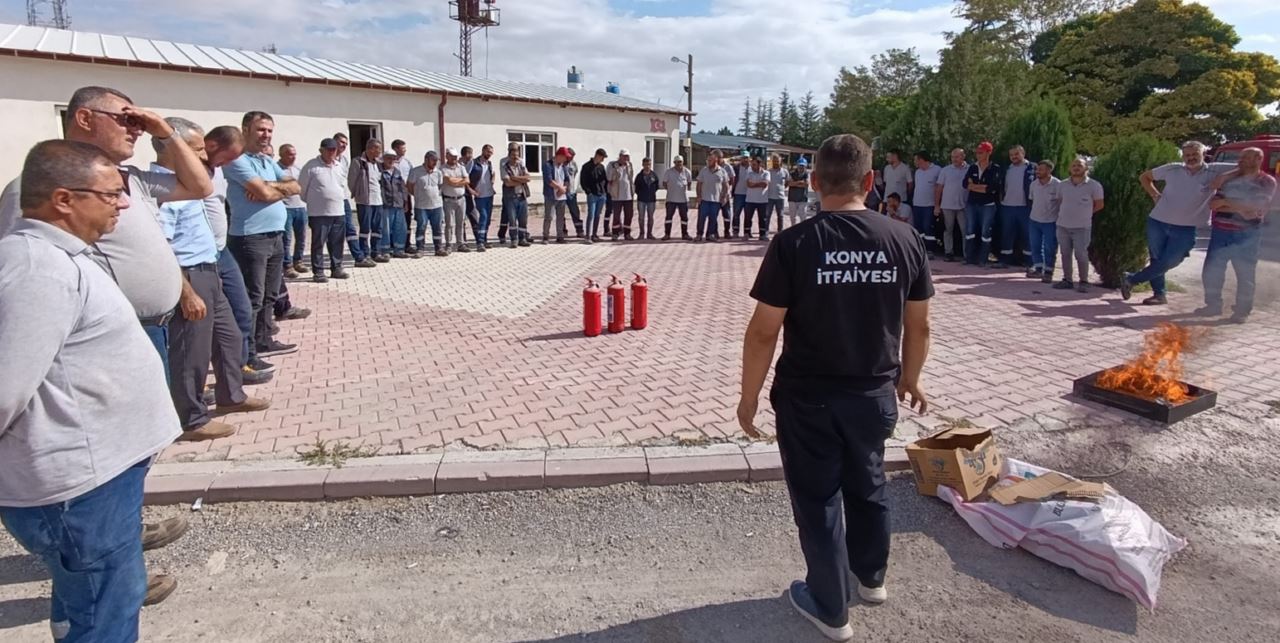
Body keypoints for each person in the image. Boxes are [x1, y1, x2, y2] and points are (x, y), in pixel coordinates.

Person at [737, 134, 932, 642]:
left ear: (815, 182)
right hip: (874, 395)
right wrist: (910, 377)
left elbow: (763, 331)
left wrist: (749, 396)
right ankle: (871, 578)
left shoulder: (795, 243)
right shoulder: (904, 238)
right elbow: (920, 326)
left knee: (818, 498)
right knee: (867, 481)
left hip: (810, 398)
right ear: (870, 181)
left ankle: (830, 607)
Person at [0, 139, 187, 643]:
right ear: (64, 199)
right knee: (104, 610)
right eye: (110, 194)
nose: (123, 203)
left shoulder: (56, 256)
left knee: (88, 598)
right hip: (76, 488)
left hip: (93, 480)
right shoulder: (38, 270)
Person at [1, 86, 213, 378]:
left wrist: (165, 132)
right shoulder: (38, 188)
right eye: (127, 120)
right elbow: (24, 273)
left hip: (155, 326)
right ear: (85, 119)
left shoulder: (132, 179)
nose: (138, 130)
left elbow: (201, 187)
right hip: (103, 335)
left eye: (140, 123)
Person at [153, 117, 270, 441]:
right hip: (190, 275)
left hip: (210, 267)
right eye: (194, 149)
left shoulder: (186, 182)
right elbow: (162, 247)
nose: (202, 155)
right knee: (192, 351)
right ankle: (192, 419)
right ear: (171, 150)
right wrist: (186, 292)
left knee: (230, 337)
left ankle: (231, 395)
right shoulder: (163, 188)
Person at [224, 111, 300, 360]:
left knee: (269, 294)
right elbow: (265, 194)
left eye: (269, 130)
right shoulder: (237, 160)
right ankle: (246, 354)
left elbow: (295, 186)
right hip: (250, 238)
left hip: (275, 235)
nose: (266, 135)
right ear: (245, 129)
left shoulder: (267, 161)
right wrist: (270, 189)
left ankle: (264, 340)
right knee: (252, 297)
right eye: (260, 129)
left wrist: (271, 187)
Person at [202, 126, 273, 382]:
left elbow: (270, 189)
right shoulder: (192, 172)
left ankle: (240, 367)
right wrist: (264, 190)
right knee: (207, 323)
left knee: (241, 310)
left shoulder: (219, 170)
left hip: (221, 251)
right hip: (200, 256)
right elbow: (264, 192)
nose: (229, 164)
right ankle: (220, 377)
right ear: (210, 146)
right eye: (228, 157)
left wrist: (268, 189)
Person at [1120, 141, 1222, 306]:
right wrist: (1155, 195)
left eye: (1195, 154)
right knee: (1157, 259)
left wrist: (1223, 181)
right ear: (1183, 156)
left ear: (1204, 153)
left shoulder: (1215, 170)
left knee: (1171, 261)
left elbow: (1243, 167)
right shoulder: (1172, 168)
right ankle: (1159, 295)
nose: (1191, 158)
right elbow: (1144, 177)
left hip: (1186, 227)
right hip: (1158, 221)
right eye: (1187, 155)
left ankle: (1132, 279)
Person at [1198, 148, 1276, 323]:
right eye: (1240, 157)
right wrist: (1242, 206)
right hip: (1220, 231)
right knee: (1212, 270)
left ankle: (1242, 311)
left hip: (1247, 234)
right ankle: (1213, 305)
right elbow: (1214, 204)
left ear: (1258, 159)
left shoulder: (1266, 181)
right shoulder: (1229, 179)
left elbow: (1257, 205)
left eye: (1245, 158)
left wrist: (1227, 203)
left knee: (1245, 273)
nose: (1239, 161)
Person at [298, 137, 351, 282]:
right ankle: (318, 272)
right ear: (321, 150)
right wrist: (315, 201)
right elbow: (302, 189)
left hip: (338, 211)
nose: (331, 153)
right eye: (328, 150)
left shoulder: (339, 166)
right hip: (319, 213)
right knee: (318, 243)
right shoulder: (311, 166)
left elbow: (342, 186)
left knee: (337, 242)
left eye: (334, 150)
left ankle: (337, 268)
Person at [1052, 157, 1104, 293]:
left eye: (1079, 165)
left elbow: (1099, 204)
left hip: (1082, 227)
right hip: (1063, 225)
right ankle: (1067, 280)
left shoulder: (1094, 185)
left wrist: (1085, 213)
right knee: (1065, 254)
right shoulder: (1062, 185)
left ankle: (1084, 281)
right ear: (1070, 168)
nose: (1076, 167)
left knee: (1081, 254)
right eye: (1073, 165)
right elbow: (1059, 201)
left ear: (1086, 168)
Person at [963, 141, 1003, 267]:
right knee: (970, 230)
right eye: (977, 153)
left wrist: (974, 186)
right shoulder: (973, 167)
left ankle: (983, 258)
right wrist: (981, 187)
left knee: (986, 231)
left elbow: (991, 188)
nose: (978, 155)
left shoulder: (995, 168)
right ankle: (970, 258)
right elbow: (965, 184)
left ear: (988, 153)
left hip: (988, 205)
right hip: (972, 203)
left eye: (981, 152)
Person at [348, 138, 385, 266]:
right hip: (365, 201)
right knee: (365, 228)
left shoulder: (379, 163)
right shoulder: (358, 162)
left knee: (377, 228)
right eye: (378, 149)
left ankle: (376, 252)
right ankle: (365, 253)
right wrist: (358, 194)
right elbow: (351, 181)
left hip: (378, 200)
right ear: (370, 149)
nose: (380, 152)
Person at [999, 145, 1035, 268]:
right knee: (1007, 234)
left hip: (1025, 207)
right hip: (1008, 206)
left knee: (1027, 235)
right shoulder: (1007, 169)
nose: (1014, 157)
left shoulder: (1032, 168)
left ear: (1023, 154)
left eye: (1016, 154)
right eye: (1011, 155)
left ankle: (1030, 262)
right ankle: (1005, 260)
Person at [1027, 160, 1061, 283]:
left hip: (1050, 221)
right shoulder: (1034, 184)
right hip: (1034, 220)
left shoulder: (1057, 185)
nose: (1038, 172)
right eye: (1037, 169)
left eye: (1041, 169)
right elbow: (1031, 200)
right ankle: (1038, 268)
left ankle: (1048, 271)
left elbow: (1061, 202)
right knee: (1035, 246)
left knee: (1049, 247)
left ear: (1048, 170)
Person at [278, 143, 308, 277]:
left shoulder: (298, 168)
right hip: (286, 208)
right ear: (282, 155)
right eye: (290, 154)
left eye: (294, 154)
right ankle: (287, 265)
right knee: (287, 239)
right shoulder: (277, 169)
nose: (293, 157)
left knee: (301, 237)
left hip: (301, 207)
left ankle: (299, 261)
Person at [408, 150, 446, 256]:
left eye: (436, 161)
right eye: (433, 160)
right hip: (421, 206)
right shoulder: (415, 171)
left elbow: (439, 186)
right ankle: (420, 249)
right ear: (426, 160)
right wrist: (418, 195)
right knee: (421, 227)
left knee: (437, 227)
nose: (435, 163)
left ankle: (438, 248)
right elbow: (410, 186)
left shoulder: (438, 172)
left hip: (437, 205)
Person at [333, 132, 363, 264]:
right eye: (341, 142)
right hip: (331, 201)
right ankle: (334, 260)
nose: (344, 145)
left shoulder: (344, 160)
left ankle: (358, 256)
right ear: (334, 142)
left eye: (346, 143)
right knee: (334, 231)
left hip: (343, 198)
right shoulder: (327, 158)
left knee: (350, 227)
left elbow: (347, 179)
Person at [934, 149, 969, 263]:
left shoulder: (969, 169)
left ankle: (966, 254)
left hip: (964, 205)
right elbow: (939, 188)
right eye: (953, 157)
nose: (954, 159)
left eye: (957, 157)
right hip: (947, 205)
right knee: (948, 230)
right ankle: (948, 252)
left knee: (965, 230)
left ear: (963, 156)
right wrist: (937, 205)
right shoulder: (945, 170)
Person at [501, 142, 532, 248]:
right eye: (513, 155)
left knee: (523, 219)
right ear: (509, 155)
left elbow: (528, 178)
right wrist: (521, 180)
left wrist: (515, 178)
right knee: (512, 219)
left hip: (522, 196)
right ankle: (514, 239)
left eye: (517, 154)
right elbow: (508, 183)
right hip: (510, 197)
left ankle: (522, 238)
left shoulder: (521, 165)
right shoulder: (505, 165)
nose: (515, 157)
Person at [696, 150, 732, 242]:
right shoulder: (704, 171)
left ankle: (710, 235)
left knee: (713, 219)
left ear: (715, 160)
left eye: (710, 161)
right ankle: (699, 234)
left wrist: (724, 196)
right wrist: (699, 196)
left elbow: (726, 185)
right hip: (704, 199)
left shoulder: (722, 171)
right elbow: (699, 184)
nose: (708, 162)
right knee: (701, 218)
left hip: (716, 200)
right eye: (707, 161)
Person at [379, 151, 409, 259]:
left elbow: (403, 188)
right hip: (386, 204)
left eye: (393, 158)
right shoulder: (380, 172)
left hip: (398, 204)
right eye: (388, 158)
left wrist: (405, 201)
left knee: (400, 228)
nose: (391, 160)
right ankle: (385, 251)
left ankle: (399, 250)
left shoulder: (397, 172)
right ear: (384, 159)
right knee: (385, 229)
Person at [440, 147, 471, 252]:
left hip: (461, 199)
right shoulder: (443, 168)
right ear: (447, 156)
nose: (454, 158)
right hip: (448, 200)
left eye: (455, 156)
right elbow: (448, 181)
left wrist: (456, 182)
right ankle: (449, 244)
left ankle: (460, 243)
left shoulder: (461, 167)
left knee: (460, 222)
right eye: (452, 156)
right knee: (449, 223)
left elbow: (467, 180)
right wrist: (460, 181)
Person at [911, 152, 941, 256]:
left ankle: (930, 249)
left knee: (928, 226)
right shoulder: (917, 172)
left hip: (929, 204)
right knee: (919, 227)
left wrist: (937, 205)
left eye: (916, 160)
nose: (914, 162)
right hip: (917, 203)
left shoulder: (937, 170)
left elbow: (940, 187)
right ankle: (920, 248)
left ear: (922, 160)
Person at [468, 144, 497, 251]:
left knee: (488, 219)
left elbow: (493, 173)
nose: (490, 154)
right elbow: (465, 177)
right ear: (483, 151)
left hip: (489, 195)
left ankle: (484, 240)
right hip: (479, 195)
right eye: (488, 152)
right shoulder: (473, 163)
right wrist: (471, 190)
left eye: (491, 153)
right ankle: (479, 242)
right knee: (483, 217)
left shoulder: (489, 163)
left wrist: (492, 181)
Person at [391, 139, 416, 255]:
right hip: (392, 195)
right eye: (402, 148)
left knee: (406, 220)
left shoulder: (407, 162)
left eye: (405, 148)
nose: (405, 150)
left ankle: (407, 244)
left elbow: (412, 178)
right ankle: (392, 245)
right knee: (392, 220)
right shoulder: (388, 161)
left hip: (405, 195)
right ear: (395, 149)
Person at [543, 147, 572, 243]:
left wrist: (564, 189)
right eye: (565, 157)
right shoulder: (548, 165)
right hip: (551, 195)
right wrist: (560, 188)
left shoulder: (563, 166)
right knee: (549, 216)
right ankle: (546, 236)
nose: (566, 159)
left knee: (560, 217)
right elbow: (548, 180)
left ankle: (560, 236)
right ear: (559, 155)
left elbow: (567, 180)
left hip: (562, 196)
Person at [580, 148, 609, 243]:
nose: (603, 160)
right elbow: (583, 181)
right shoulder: (586, 167)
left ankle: (594, 235)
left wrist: (605, 192)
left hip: (601, 195)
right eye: (602, 157)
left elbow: (605, 180)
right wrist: (588, 192)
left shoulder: (601, 167)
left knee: (597, 215)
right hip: (592, 195)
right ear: (598, 155)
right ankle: (588, 236)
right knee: (591, 215)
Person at [661, 154, 693, 240]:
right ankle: (667, 234)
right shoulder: (668, 172)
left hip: (683, 200)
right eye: (676, 162)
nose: (678, 164)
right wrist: (671, 189)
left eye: (680, 162)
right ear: (674, 162)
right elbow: (664, 183)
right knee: (668, 217)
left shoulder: (687, 172)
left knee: (684, 218)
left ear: (683, 162)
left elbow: (689, 183)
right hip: (671, 199)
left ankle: (685, 234)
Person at [607, 148, 636, 240]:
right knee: (616, 215)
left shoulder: (629, 165)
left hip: (628, 195)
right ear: (620, 156)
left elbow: (631, 178)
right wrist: (617, 168)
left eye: (627, 156)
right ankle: (615, 233)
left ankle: (627, 233)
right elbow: (609, 178)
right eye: (624, 156)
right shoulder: (612, 165)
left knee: (629, 215)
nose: (626, 158)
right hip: (617, 195)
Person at [744, 156, 770, 240]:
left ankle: (762, 234)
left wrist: (754, 184)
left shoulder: (766, 173)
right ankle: (747, 233)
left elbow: (765, 184)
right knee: (748, 217)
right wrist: (759, 184)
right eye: (752, 164)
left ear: (760, 164)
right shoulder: (749, 173)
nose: (752, 166)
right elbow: (748, 184)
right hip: (750, 200)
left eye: (754, 165)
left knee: (763, 218)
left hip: (762, 200)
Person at [634, 157, 660, 240]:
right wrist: (641, 194)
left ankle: (649, 234)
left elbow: (656, 186)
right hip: (641, 199)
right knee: (641, 217)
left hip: (651, 200)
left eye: (649, 164)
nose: (647, 166)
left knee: (650, 217)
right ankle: (641, 234)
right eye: (645, 164)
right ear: (642, 165)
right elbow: (636, 188)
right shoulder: (639, 176)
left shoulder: (654, 175)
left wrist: (651, 193)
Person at [565, 147, 585, 238]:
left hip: (571, 192)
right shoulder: (561, 164)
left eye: (573, 156)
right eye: (570, 156)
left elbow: (574, 174)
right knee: (560, 213)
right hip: (562, 192)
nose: (572, 158)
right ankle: (563, 231)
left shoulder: (573, 164)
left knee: (575, 212)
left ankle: (579, 230)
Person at [767, 154, 788, 234]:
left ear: (780, 161)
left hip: (780, 197)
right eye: (774, 161)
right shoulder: (769, 171)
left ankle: (780, 231)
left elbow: (787, 182)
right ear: (772, 162)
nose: (776, 162)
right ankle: (765, 231)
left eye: (777, 161)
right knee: (767, 215)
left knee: (781, 215)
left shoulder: (785, 171)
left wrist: (782, 189)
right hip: (770, 197)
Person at [731, 153, 751, 238]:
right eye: (743, 158)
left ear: (749, 158)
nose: (745, 159)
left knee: (748, 214)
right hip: (738, 194)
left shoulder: (752, 168)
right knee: (736, 214)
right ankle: (735, 231)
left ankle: (747, 231)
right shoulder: (736, 168)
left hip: (749, 195)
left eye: (746, 158)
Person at [787, 157, 811, 226]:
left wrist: (795, 183)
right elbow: (789, 184)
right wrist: (800, 182)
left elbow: (806, 184)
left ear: (805, 166)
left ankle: (802, 231)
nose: (801, 167)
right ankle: (793, 231)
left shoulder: (807, 174)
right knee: (792, 217)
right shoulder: (792, 173)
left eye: (803, 166)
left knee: (803, 217)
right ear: (797, 165)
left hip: (802, 199)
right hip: (792, 198)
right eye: (800, 165)